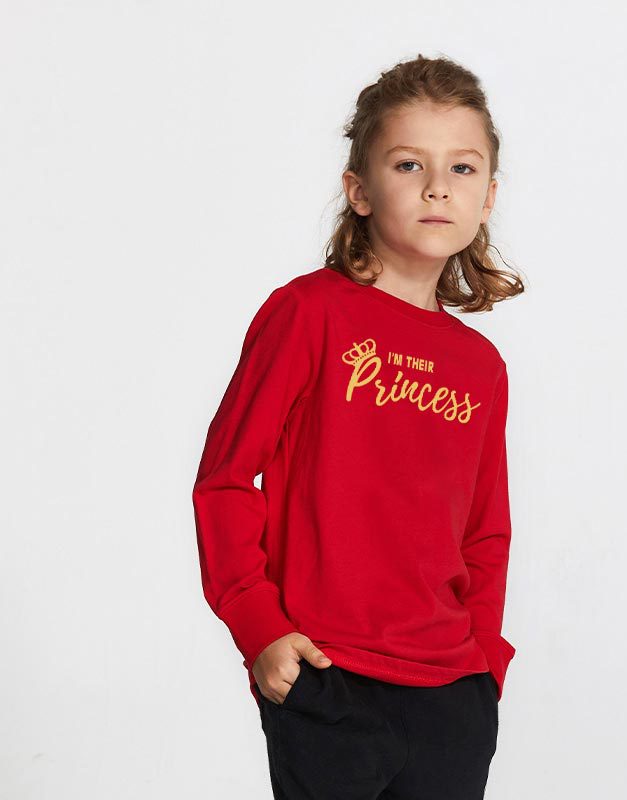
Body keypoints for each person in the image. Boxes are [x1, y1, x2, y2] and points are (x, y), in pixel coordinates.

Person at [192, 53, 526, 799]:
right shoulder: (309, 314)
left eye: (463, 167)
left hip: (452, 696)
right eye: (409, 164)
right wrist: (259, 627)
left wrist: (484, 665)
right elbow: (226, 479)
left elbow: (485, 532)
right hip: (327, 676)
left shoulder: (481, 365)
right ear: (359, 190)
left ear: (489, 196)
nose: (438, 186)